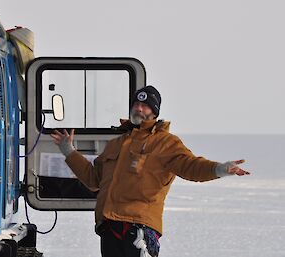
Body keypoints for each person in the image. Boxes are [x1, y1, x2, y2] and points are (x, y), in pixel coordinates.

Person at [51, 85, 250, 257]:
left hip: (140, 229)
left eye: (145, 105)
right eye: (136, 103)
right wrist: (69, 151)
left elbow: (192, 166)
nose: (139, 108)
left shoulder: (165, 143)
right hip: (110, 228)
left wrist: (220, 169)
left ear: (154, 113)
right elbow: (94, 179)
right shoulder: (115, 145)